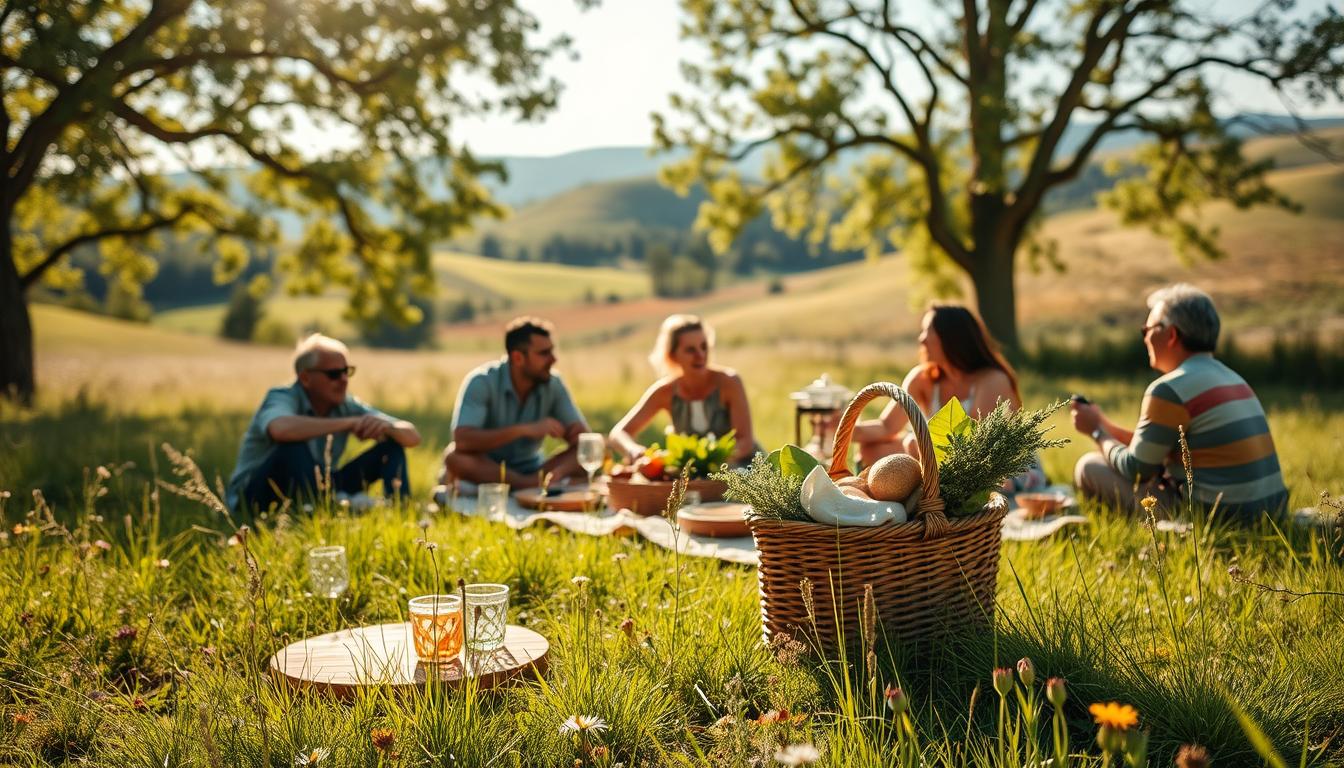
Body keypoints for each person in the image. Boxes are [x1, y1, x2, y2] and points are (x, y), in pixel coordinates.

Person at [1071, 284, 1288, 521]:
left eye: (1148, 329)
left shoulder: (1169, 389)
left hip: (1215, 519)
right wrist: (1102, 423)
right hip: (1271, 516)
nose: (1145, 338)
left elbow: (1138, 470)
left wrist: (1096, 432)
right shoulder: (1234, 379)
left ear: (1172, 334)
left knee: (1089, 467)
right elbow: (1151, 452)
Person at [849, 304, 1045, 491]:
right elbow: (886, 426)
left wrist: (915, 447)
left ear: (951, 338)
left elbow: (975, 449)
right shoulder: (922, 379)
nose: (921, 339)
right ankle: (920, 487)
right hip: (942, 460)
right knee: (870, 449)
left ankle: (924, 491)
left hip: (998, 468)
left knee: (912, 445)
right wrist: (843, 426)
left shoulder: (992, 380)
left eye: (927, 331)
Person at [226, 334, 421, 512]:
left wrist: (387, 427)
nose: (344, 380)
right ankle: (334, 507)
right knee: (292, 449)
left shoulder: (347, 405)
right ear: (305, 378)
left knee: (391, 447)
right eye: (334, 374)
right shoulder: (280, 397)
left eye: (347, 371)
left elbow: (412, 437)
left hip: (318, 487)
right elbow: (280, 429)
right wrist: (348, 423)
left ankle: (400, 512)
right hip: (253, 498)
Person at [440, 317, 591, 489]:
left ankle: (527, 483)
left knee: (588, 452)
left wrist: (576, 436)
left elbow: (585, 441)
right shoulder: (481, 382)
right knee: (454, 458)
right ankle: (530, 485)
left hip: (533, 468)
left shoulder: (553, 384)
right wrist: (524, 430)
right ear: (518, 358)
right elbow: (463, 441)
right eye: (544, 353)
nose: (553, 359)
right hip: (486, 468)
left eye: (552, 351)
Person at [609, 314, 758, 465]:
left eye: (704, 346)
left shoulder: (729, 382)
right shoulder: (665, 391)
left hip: (745, 471)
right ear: (672, 355)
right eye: (690, 350)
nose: (700, 355)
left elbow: (745, 442)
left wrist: (707, 462)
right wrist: (633, 450)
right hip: (694, 479)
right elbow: (618, 434)